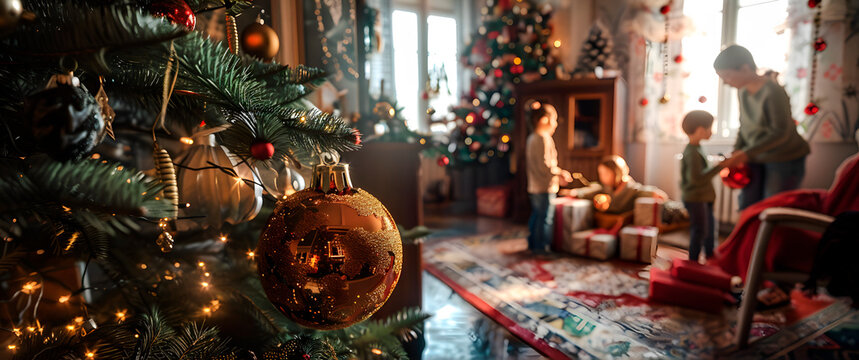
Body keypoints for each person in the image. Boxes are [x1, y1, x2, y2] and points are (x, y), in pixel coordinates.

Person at [714, 45, 810, 209]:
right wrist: (737, 151)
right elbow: (744, 125)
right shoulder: (742, 91)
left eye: (727, 76)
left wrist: (745, 153)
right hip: (756, 155)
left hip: (784, 158)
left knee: (773, 208)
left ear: (745, 68)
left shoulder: (773, 92)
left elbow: (780, 133)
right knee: (748, 205)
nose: (725, 82)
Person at [680, 110, 727, 262]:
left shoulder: (698, 148)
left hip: (703, 198)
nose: (711, 132)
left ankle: (710, 256)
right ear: (701, 130)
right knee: (700, 230)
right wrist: (720, 167)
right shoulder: (692, 153)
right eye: (710, 128)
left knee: (710, 230)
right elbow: (696, 179)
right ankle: (693, 261)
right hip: (696, 198)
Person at [526, 101, 572, 253]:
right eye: (554, 120)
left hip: (534, 185)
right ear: (545, 120)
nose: (556, 124)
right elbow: (545, 166)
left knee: (537, 215)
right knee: (545, 219)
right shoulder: (542, 138)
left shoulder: (532, 138)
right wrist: (560, 172)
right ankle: (542, 248)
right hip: (544, 187)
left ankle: (532, 244)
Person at [566, 155, 667, 214]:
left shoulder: (631, 189)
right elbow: (593, 190)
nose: (602, 177)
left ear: (617, 173)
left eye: (606, 174)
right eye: (601, 174)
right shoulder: (605, 188)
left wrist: (654, 193)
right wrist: (576, 192)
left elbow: (642, 190)